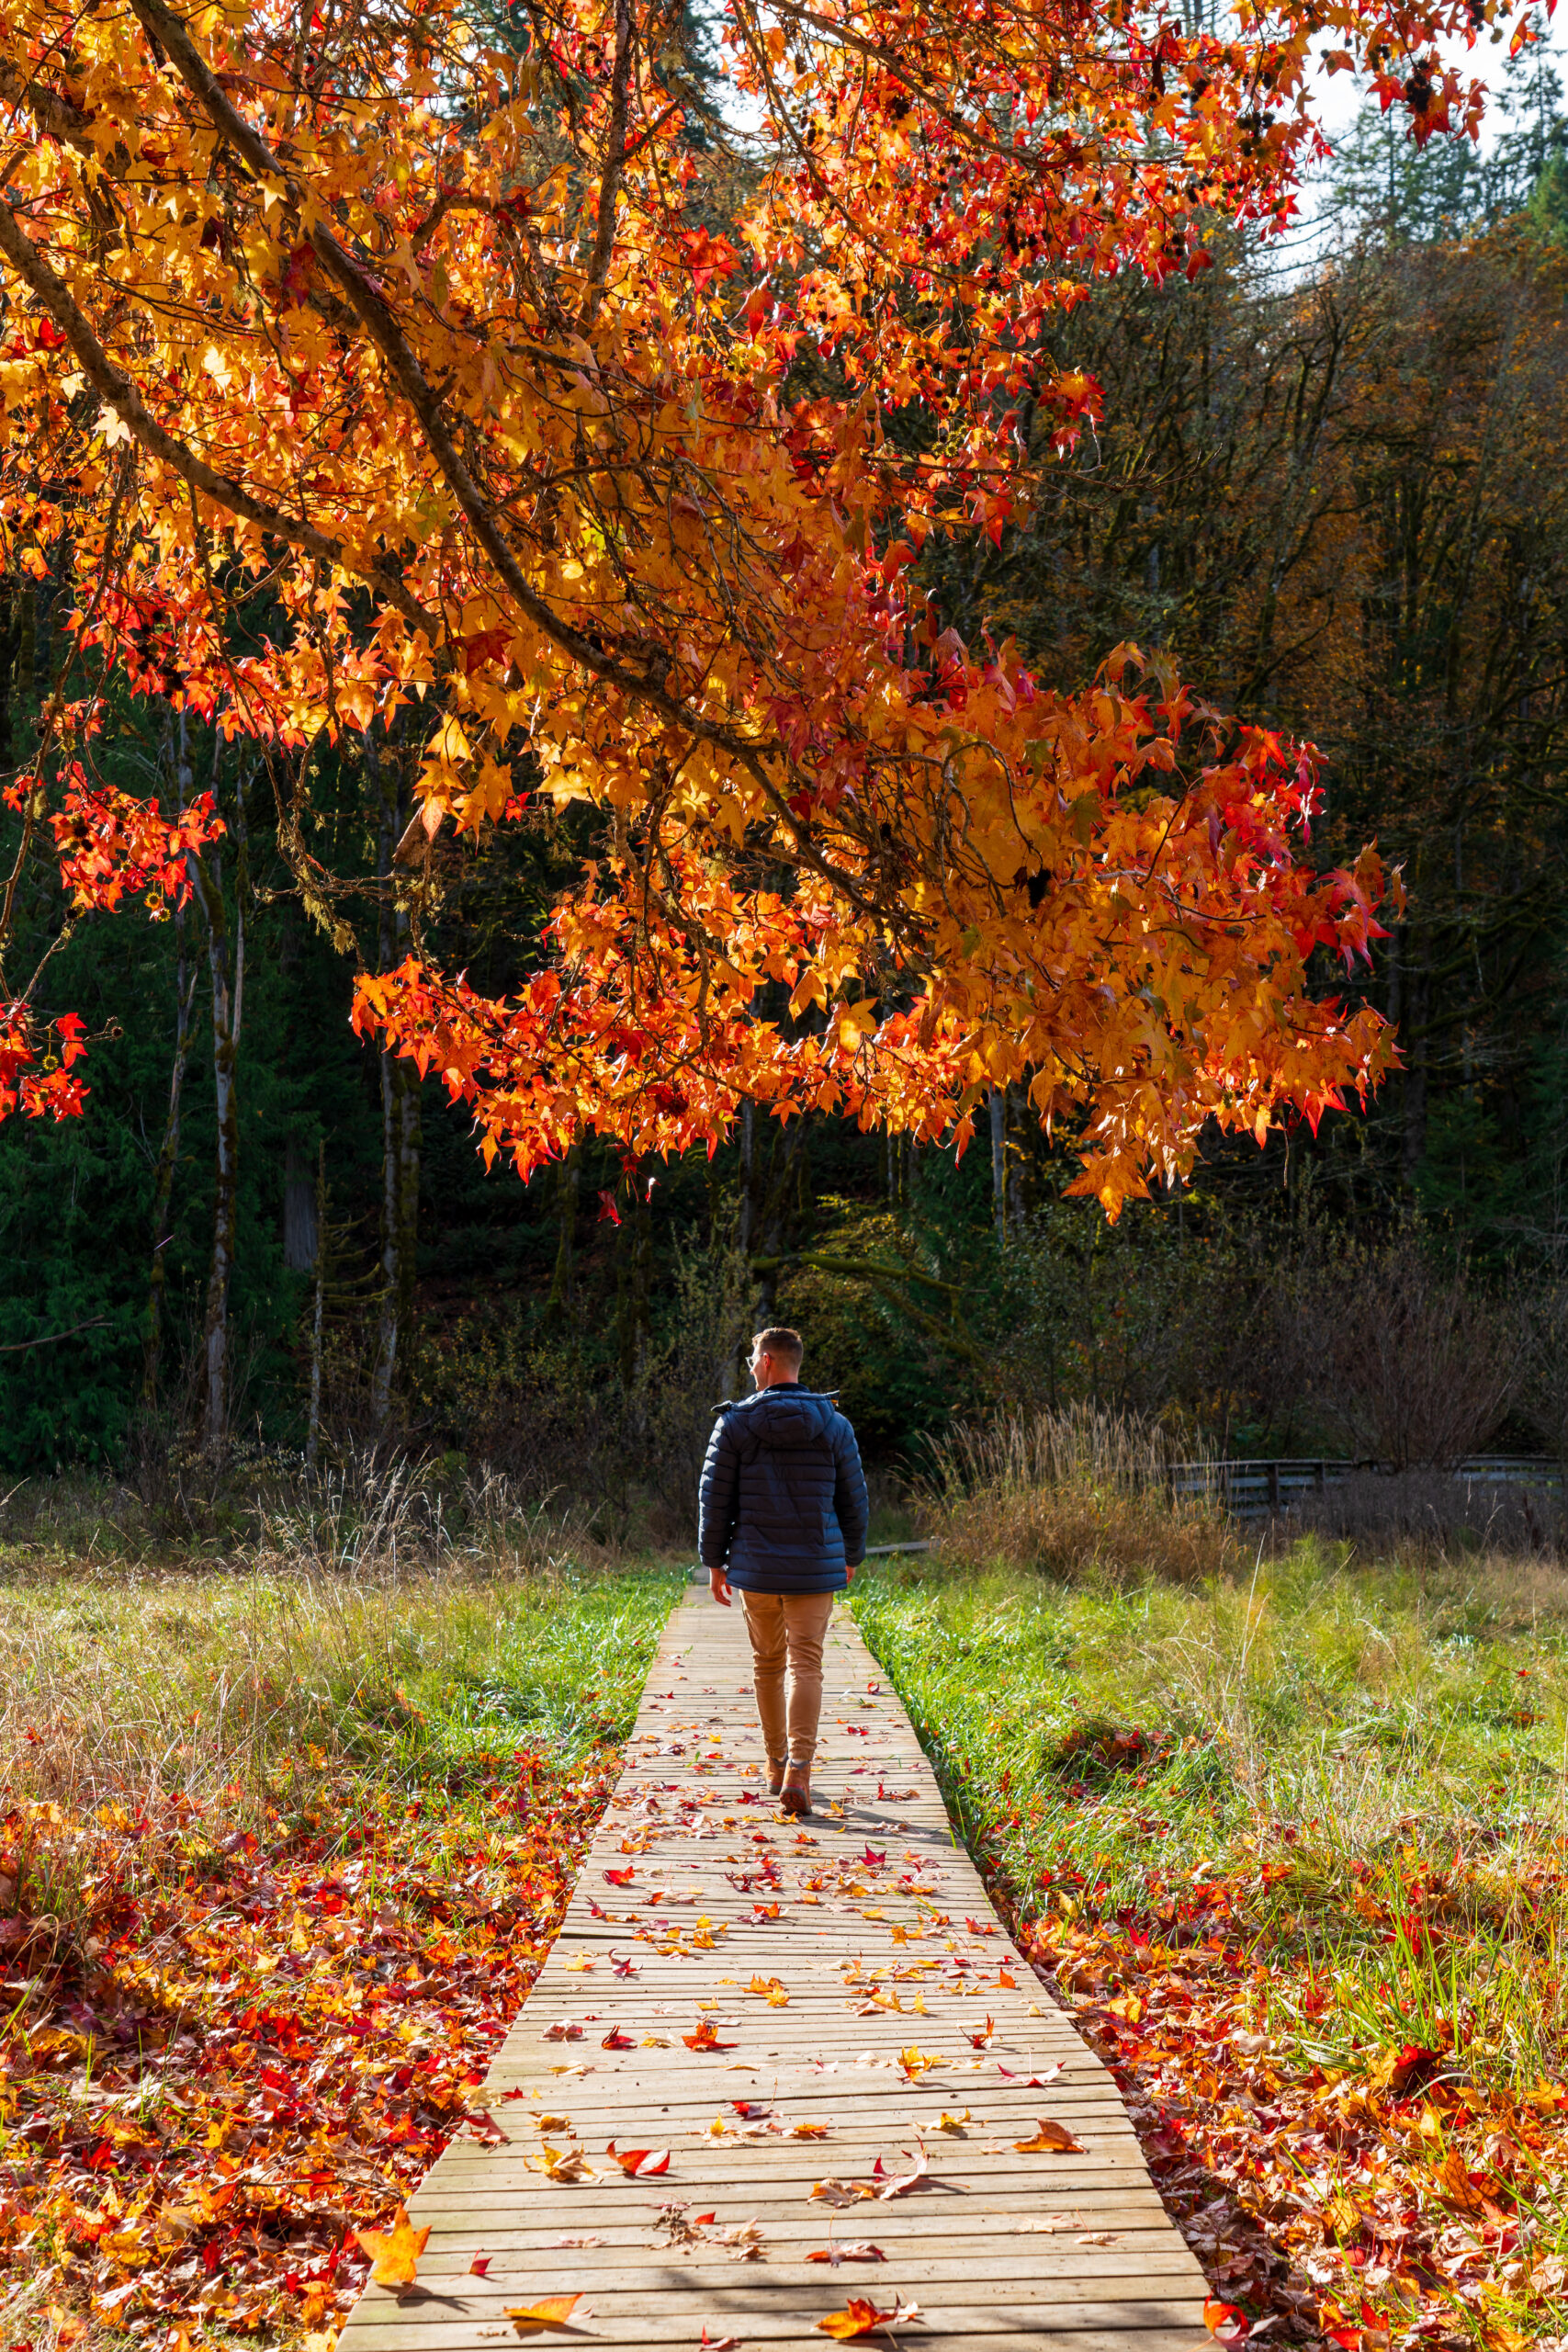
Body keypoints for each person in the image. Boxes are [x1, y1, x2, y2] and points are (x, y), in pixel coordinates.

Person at [698, 1326, 870, 1816]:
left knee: (768, 1665)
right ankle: (799, 1767)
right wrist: (851, 1554)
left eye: (753, 1358)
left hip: (756, 1567)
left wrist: (715, 1563)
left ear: (769, 1361)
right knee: (807, 1664)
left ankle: (775, 1764)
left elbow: (715, 1501)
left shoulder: (733, 1425)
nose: (750, 1366)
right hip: (815, 1566)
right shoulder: (834, 1425)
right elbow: (853, 1497)